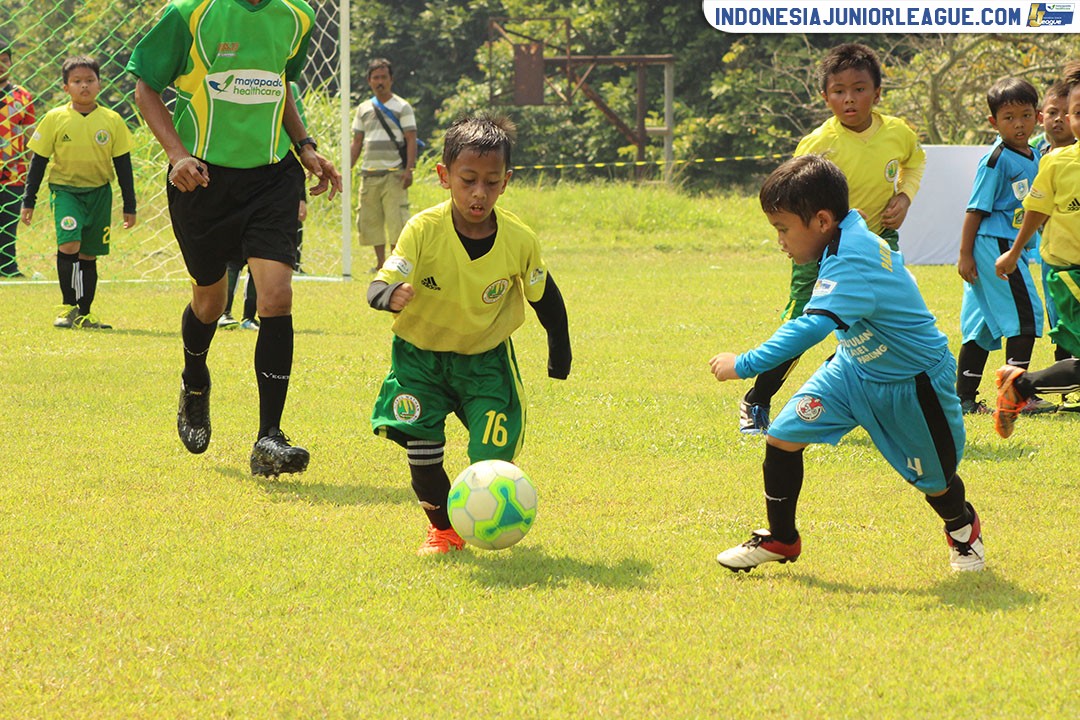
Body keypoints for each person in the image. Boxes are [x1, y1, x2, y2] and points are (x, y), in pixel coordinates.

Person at [711, 155, 984, 574]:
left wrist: (744, 364)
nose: (780, 240)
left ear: (821, 220)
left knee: (936, 481)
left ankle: (963, 531)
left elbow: (811, 328)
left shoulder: (852, 258)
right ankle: (782, 540)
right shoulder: (847, 232)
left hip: (911, 385)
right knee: (783, 436)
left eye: (783, 229)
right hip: (852, 370)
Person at [127, 0, 342, 476]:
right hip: (201, 178)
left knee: (276, 296)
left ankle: (269, 437)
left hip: (272, 177)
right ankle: (195, 379)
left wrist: (306, 147)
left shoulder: (297, 15)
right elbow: (145, 88)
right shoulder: (189, 13)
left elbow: (279, 83)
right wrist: (177, 155)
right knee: (209, 301)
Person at [367, 113, 571, 556]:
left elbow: (546, 297)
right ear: (444, 176)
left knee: (491, 460)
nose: (479, 193)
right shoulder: (423, 229)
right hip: (420, 360)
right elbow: (383, 280)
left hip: (485, 362)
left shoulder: (518, 238)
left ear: (506, 181)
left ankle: (490, 518)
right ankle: (443, 530)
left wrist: (560, 354)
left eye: (491, 182)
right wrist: (387, 295)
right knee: (423, 453)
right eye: (468, 180)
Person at [738, 43, 926, 434]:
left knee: (881, 327)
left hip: (878, 242)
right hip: (823, 253)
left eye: (859, 88)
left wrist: (905, 196)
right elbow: (793, 200)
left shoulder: (898, 133)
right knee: (804, 326)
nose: (849, 98)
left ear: (878, 92)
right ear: (825, 96)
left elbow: (915, 160)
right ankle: (757, 400)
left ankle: (870, 403)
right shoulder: (816, 144)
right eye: (838, 91)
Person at [954, 78, 1055, 416]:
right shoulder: (996, 161)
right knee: (1025, 317)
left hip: (1007, 246)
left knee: (982, 326)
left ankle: (964, 400)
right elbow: (975, 210)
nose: (1018, 124)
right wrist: (965, 254)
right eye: (1009, 117)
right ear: (993, 122)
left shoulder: (1035, 153)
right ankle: (1018, 396)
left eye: (1025, 115)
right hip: (993, 246)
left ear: (1037, 117)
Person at [993, 69, 1080, 439]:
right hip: (1069, 273)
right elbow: (1036, 212)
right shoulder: (1058, 162)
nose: (1074, 118)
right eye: (1077, 111)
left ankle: (1020, 385)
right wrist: (1013, 253)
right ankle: (1020, 385)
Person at [20, 55, 136, 329]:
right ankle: (67, 307)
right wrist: (29, 200)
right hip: (65, 192)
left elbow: (123, 165)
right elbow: (38, 162)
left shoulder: (112, 120)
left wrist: (129, 205)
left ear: (99, 85)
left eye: (89, 81)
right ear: (65, 87)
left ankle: (85, 312)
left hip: (99, 193)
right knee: (70, 244)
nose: (84, 86)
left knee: (88, 254)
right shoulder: (54, 118)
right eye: (77, 81)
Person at [350, 58, 416, 272]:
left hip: (394, 173)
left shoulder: (402, 107)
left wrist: (409, 170)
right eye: (376, 77)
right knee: (371, 220)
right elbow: (357, 141)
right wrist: (346, 169)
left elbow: (411, 139)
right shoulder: (363, 108)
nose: (380, 82)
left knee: (396, 219)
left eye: (384, 77)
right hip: (369, 173)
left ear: (391, 79)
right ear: (369, 81)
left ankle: (394, 263)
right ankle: (380, 263)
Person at [0, 36, 35, 278]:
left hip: (13, 172)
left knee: (8, 221)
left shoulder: (22, 96)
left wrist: (33, 165)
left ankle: (8, 267)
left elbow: (31, 134)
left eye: (5, 60)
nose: (2, 64)